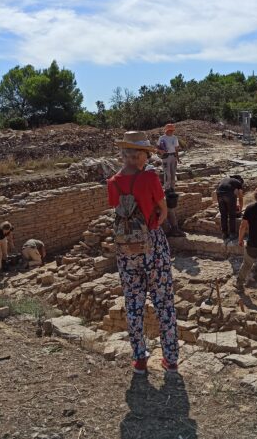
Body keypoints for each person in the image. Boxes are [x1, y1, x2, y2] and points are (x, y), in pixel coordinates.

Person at [107, 131, 179, 374]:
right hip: (153, 244)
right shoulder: (149, 178)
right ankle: (170, 358)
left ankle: (139, 359)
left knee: (134, 302)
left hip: (126, 249)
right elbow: (163, 209)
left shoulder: (113, 182)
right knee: (164, 302)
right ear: (139, 156)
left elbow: (117, 210)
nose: (147, 159)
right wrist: (156, 220)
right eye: (146, 154)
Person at [216, 175, 244, 246]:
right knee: (232, 214)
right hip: (228, 194)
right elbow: (240, 197)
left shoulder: (226, 180)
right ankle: (232, 234)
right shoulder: (238, 182)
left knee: (223, 214)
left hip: (219, 193)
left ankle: (224, 234)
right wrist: (240, 209)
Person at [157, 123, 181, 190]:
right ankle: (167, 188)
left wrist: (178, 158)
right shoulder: (162, 138)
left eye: (172, 130)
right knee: (168, 174)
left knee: (173, 174)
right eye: (170, 130)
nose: (171, 132)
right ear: (166, 130)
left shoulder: (174, 137)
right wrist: (160, 151)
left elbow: (176, 148)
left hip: (173, 156)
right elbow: (157, 147)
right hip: (166, 157)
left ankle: (172, 188)